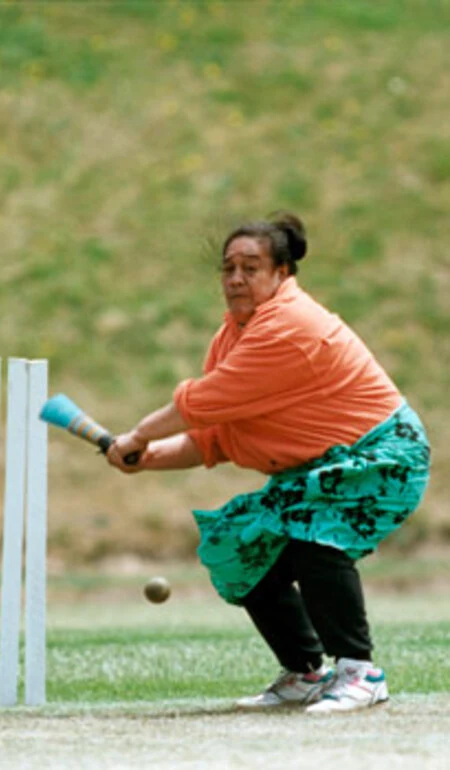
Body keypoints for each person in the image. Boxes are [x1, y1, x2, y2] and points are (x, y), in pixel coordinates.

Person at [106, 212, 430, 714]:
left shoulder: (289, 325)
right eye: (228, 267)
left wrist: (137, 435)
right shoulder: (232, 334)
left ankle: (360, 672)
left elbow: (203, 401)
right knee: (238, 543)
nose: (236, 278)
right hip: (318, 467)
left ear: (282, 274)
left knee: (314, 528)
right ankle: (305, 672)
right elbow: (217, 436)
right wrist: (147, 458)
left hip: (385, 453)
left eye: (251, 267)